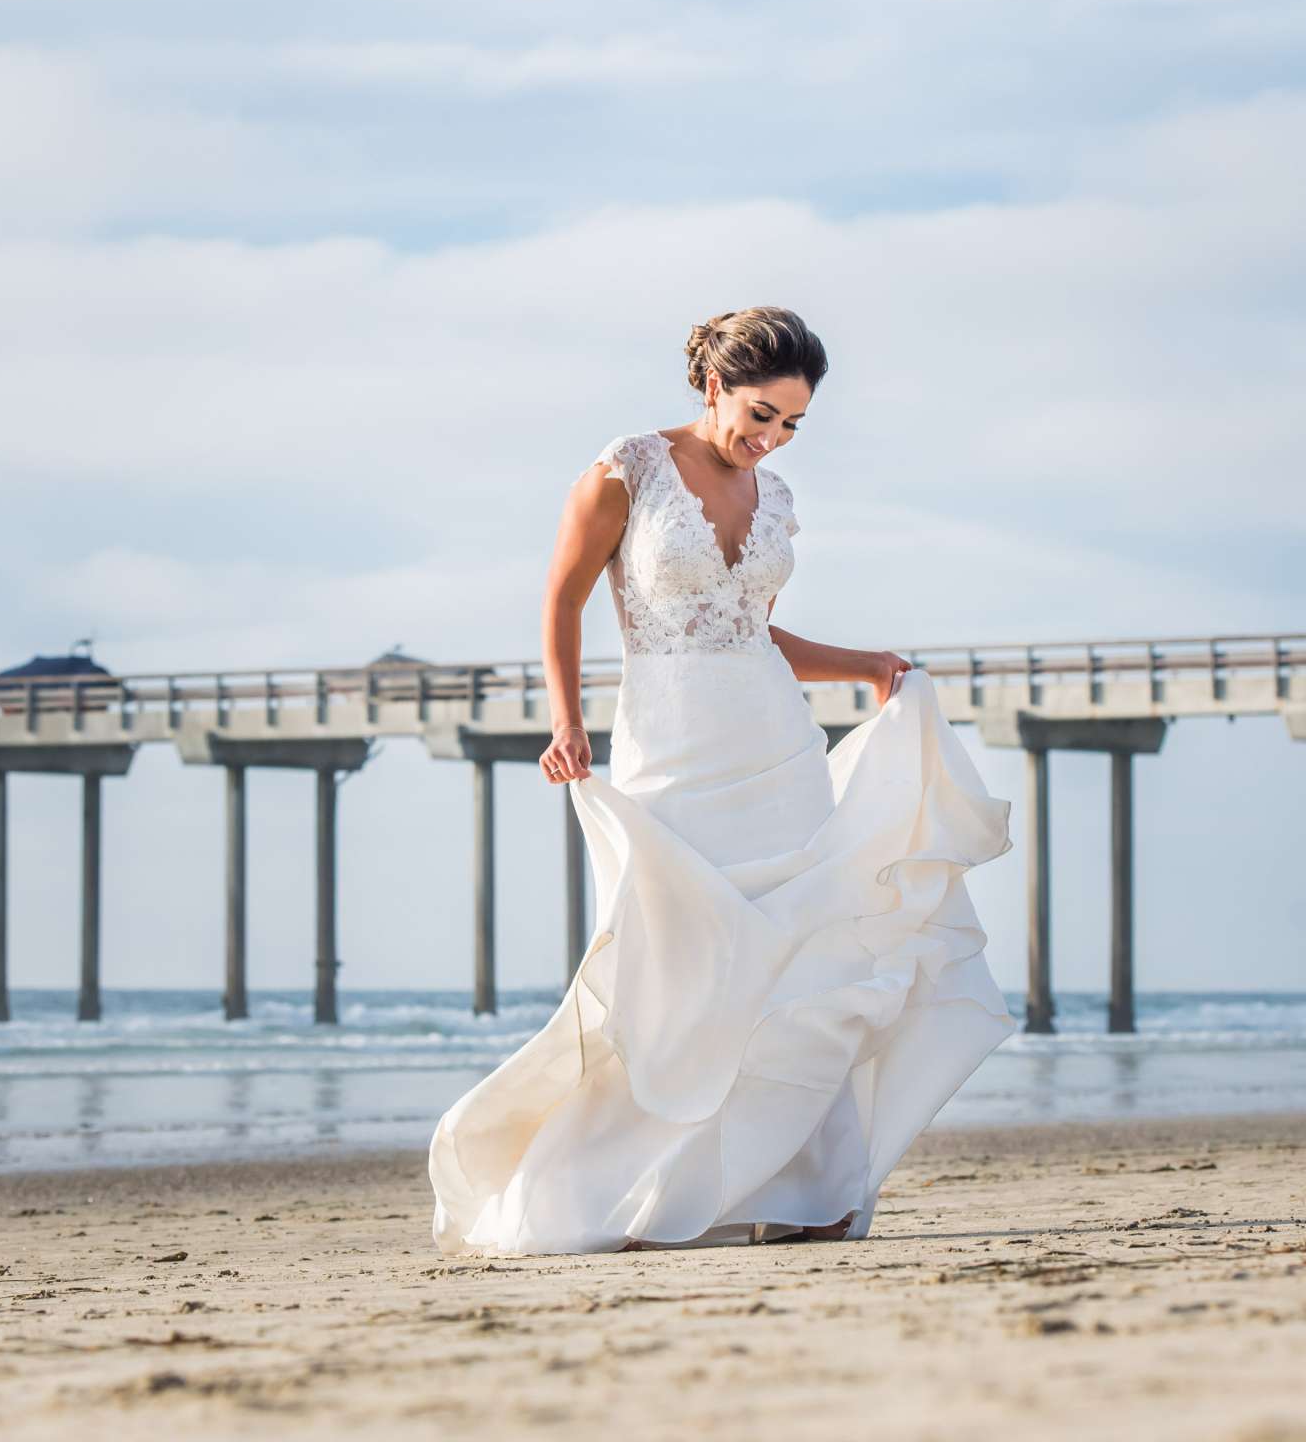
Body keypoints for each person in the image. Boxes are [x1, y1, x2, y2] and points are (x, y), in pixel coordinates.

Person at [428, 306, 1017, 1254]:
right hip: (671, 744)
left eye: (791, 424)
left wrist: (866, 664)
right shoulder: (628, 469)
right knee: (678, 962)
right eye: (759, 414)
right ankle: (631, 1187)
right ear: (714, 386)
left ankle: (812, 1189)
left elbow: (752, 632)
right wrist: (567, 723)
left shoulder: (774, 497)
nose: (771, 439)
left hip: (776, 747)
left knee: (801, 958)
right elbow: (564, 600)